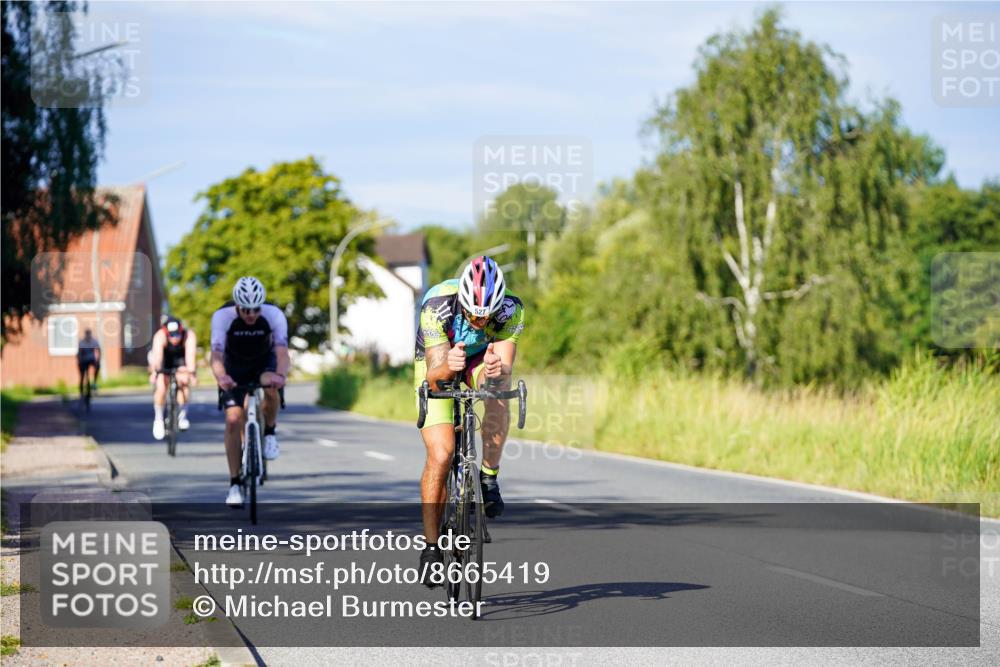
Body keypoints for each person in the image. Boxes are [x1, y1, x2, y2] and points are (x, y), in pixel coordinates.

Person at [413, 256, 525, 586]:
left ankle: (488, 478)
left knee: (497, 389)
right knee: (441, 453)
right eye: (473, 311)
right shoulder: (437, 306)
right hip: (438, 357)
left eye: (485, 314)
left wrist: (496, 370)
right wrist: (448, 366)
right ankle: (431, 548)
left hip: (477, 358)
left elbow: (503, 367)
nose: (478, 319)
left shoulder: (511, 310)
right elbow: (435, 380)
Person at [210, 276, 289, 507]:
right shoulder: (222, 317)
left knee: (272, 388)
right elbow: (215, 355)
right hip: (234, 366)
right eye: (246, 310)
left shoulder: (273, 315)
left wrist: (281, 376)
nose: (251, 315)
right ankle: (235, 483)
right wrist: (221, 376)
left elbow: (283, 353)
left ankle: (270, 433)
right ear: (237, 306)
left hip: (263, 362)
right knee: (234, 420)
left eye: (255, 309)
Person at [147, 316, 198, 440]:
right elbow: (158, 357)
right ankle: (158, 419)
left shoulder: (188, 335)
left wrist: (191, 372)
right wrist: (156, 371)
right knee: (161, 386)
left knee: (184, 382)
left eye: (177, 335)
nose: (174, 338)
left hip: (180, 360)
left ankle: (183, 415)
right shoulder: (160, 336)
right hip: (165, 360)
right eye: (171, 335)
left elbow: (190, 356)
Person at [76, 329, 101, 395]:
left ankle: (95, 382)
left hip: (91, 360)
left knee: (97, 366)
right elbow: (79, 353)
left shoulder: (94, 341)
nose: (88, 336)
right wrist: (79, 361)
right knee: (82, 376)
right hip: (83, 360)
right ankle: (81, 392)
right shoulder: (82, 342)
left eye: (89, 334)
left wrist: (98, 360)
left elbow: (98, 350)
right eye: (87, 334)